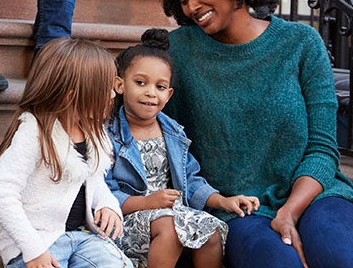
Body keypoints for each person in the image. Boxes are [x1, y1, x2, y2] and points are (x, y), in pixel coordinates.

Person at [160, 0, 353, 268]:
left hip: (316, 194)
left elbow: (323, 148)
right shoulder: (178, 52)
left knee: (341, 259)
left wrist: (289, 212)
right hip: (239, 209)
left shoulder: (301, 43)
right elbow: (170, 146)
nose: (191, 6)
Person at [106, 28, 260, 268]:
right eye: (140, 82)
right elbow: (104, 191)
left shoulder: (174, 132)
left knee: (210, 231)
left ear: (168, 95)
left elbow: (191, 179)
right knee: (169, 228)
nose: (150, 92)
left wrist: (222, 201)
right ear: (120, 84)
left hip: (171, 213)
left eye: (160, 87)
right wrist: (147, 203)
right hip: (125, 218)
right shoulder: (109, 135)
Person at [0, 37, 133, 268]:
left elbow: (94, 181)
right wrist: (33, 250)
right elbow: (3, 194)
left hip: (82, 236)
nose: (113, 95)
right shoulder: (34, 132)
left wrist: (108, 205)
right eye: (104, 89)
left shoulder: (92, 131)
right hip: (38, 240)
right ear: (72, 96)